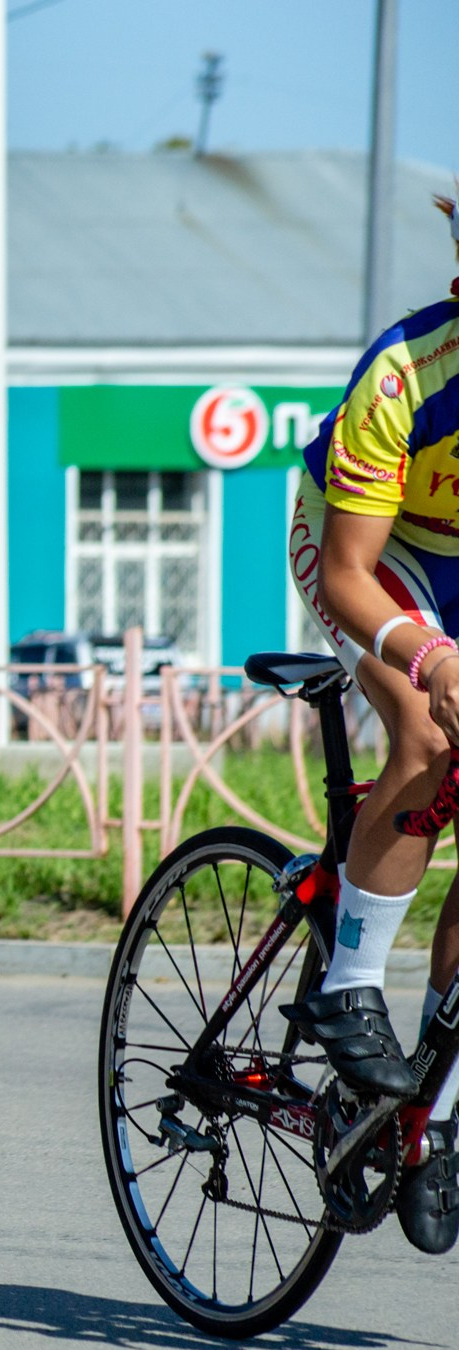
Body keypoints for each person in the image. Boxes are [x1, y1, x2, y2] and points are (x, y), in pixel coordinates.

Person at [288, 191, 459, 1249]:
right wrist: (432, 656)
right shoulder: (406, 373)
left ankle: (436, 1115)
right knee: (434, 732)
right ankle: (348, 987)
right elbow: (352, 575)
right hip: (370, 554)